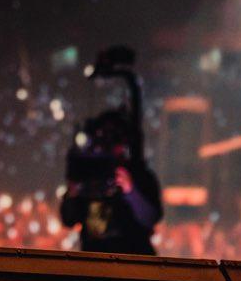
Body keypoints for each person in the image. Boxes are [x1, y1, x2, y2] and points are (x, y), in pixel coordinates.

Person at [60, 109, 163, 255]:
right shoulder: (88, 174)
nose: (107, 146)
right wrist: (72, 194)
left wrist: (130, 190)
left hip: (134, 260)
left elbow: (151, 217)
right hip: (95, 261)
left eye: (114, 139)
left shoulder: (139, 176)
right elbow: (69, 219)